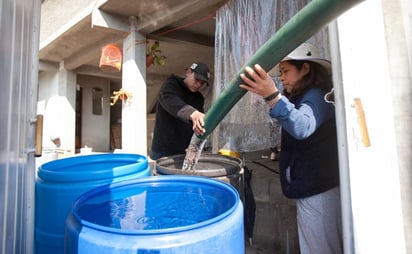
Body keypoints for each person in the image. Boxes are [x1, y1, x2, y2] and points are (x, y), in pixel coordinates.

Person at [239, 43, 342, 254]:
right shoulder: (307, 96)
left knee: (318, 248)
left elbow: (303, 126)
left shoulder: (316, 95)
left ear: (305, 69)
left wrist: (272, 97)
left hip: (317, 189)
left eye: (286, 71)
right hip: (313, 186)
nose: (282, 77)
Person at [150, 62, 210, 160]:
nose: (198, 84)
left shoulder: (199, 98)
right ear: (188, 72)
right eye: (197, 79)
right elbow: (171, 101)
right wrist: (192, 113)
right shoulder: (171, 85)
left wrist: (194, 146)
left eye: (202, 83)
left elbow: (197, 126)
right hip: (163, 151)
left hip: (184, 151)